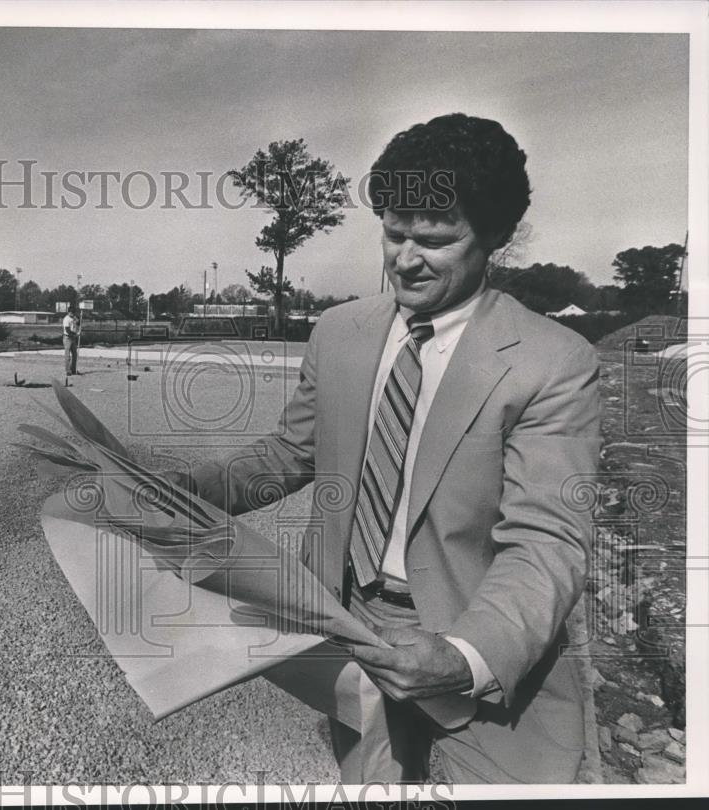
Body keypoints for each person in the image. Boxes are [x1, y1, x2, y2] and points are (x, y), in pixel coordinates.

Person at [180, 113, 601, 783]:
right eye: (394, 233)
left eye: (434, 240)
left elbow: (547, 541)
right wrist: (186, 489)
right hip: (346, 630)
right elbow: (291, 454)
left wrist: (464, 655)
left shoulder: (554, 362)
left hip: (474, 642)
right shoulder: (340, 330)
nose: (405, 260)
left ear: (496, 235)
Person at [62, 306, 80, 380]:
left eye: (73, 312)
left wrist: (79, 320)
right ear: (68, 312)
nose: (72, 314)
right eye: (71, 312)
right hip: (67, 338)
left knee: (75, 354)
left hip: (73, 338)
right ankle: (68, 370)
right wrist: (75, 334)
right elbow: (67, 330)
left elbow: (78, 323)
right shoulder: (66, 319)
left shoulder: (74, 318)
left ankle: (73, 370)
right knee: (67, 355)